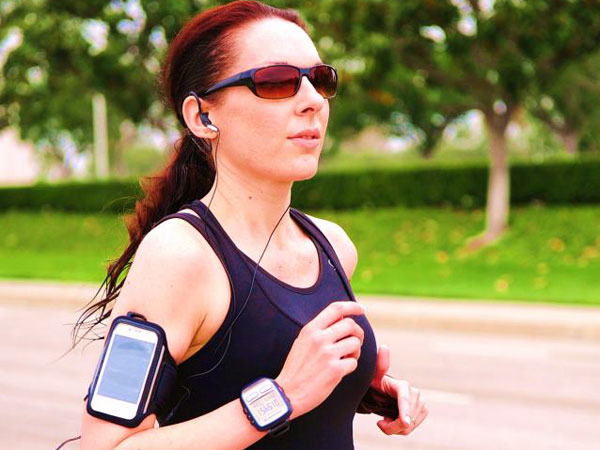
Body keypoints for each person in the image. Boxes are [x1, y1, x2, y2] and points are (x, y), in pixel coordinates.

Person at [75, 1, 427, 448]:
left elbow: (250, 373)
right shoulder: (179, 256)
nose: (313, 101)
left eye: (319, 80)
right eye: (276, 82)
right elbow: (106, 445)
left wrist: (356, 389)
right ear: (203, 117)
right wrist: (283, 396)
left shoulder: (333, 246)